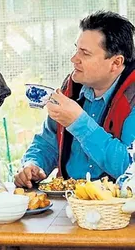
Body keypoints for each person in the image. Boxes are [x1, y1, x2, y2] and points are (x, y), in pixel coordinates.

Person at [15, 11, 135, 188]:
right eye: (76, 50)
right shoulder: (71, 89)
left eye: (85, 53)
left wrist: (78, 122)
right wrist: (33, 165)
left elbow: (130, 168)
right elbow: (48, 143)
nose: (73, 59)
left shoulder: (132, 98)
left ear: (116, 63)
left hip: (117, 209)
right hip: (70, 202)